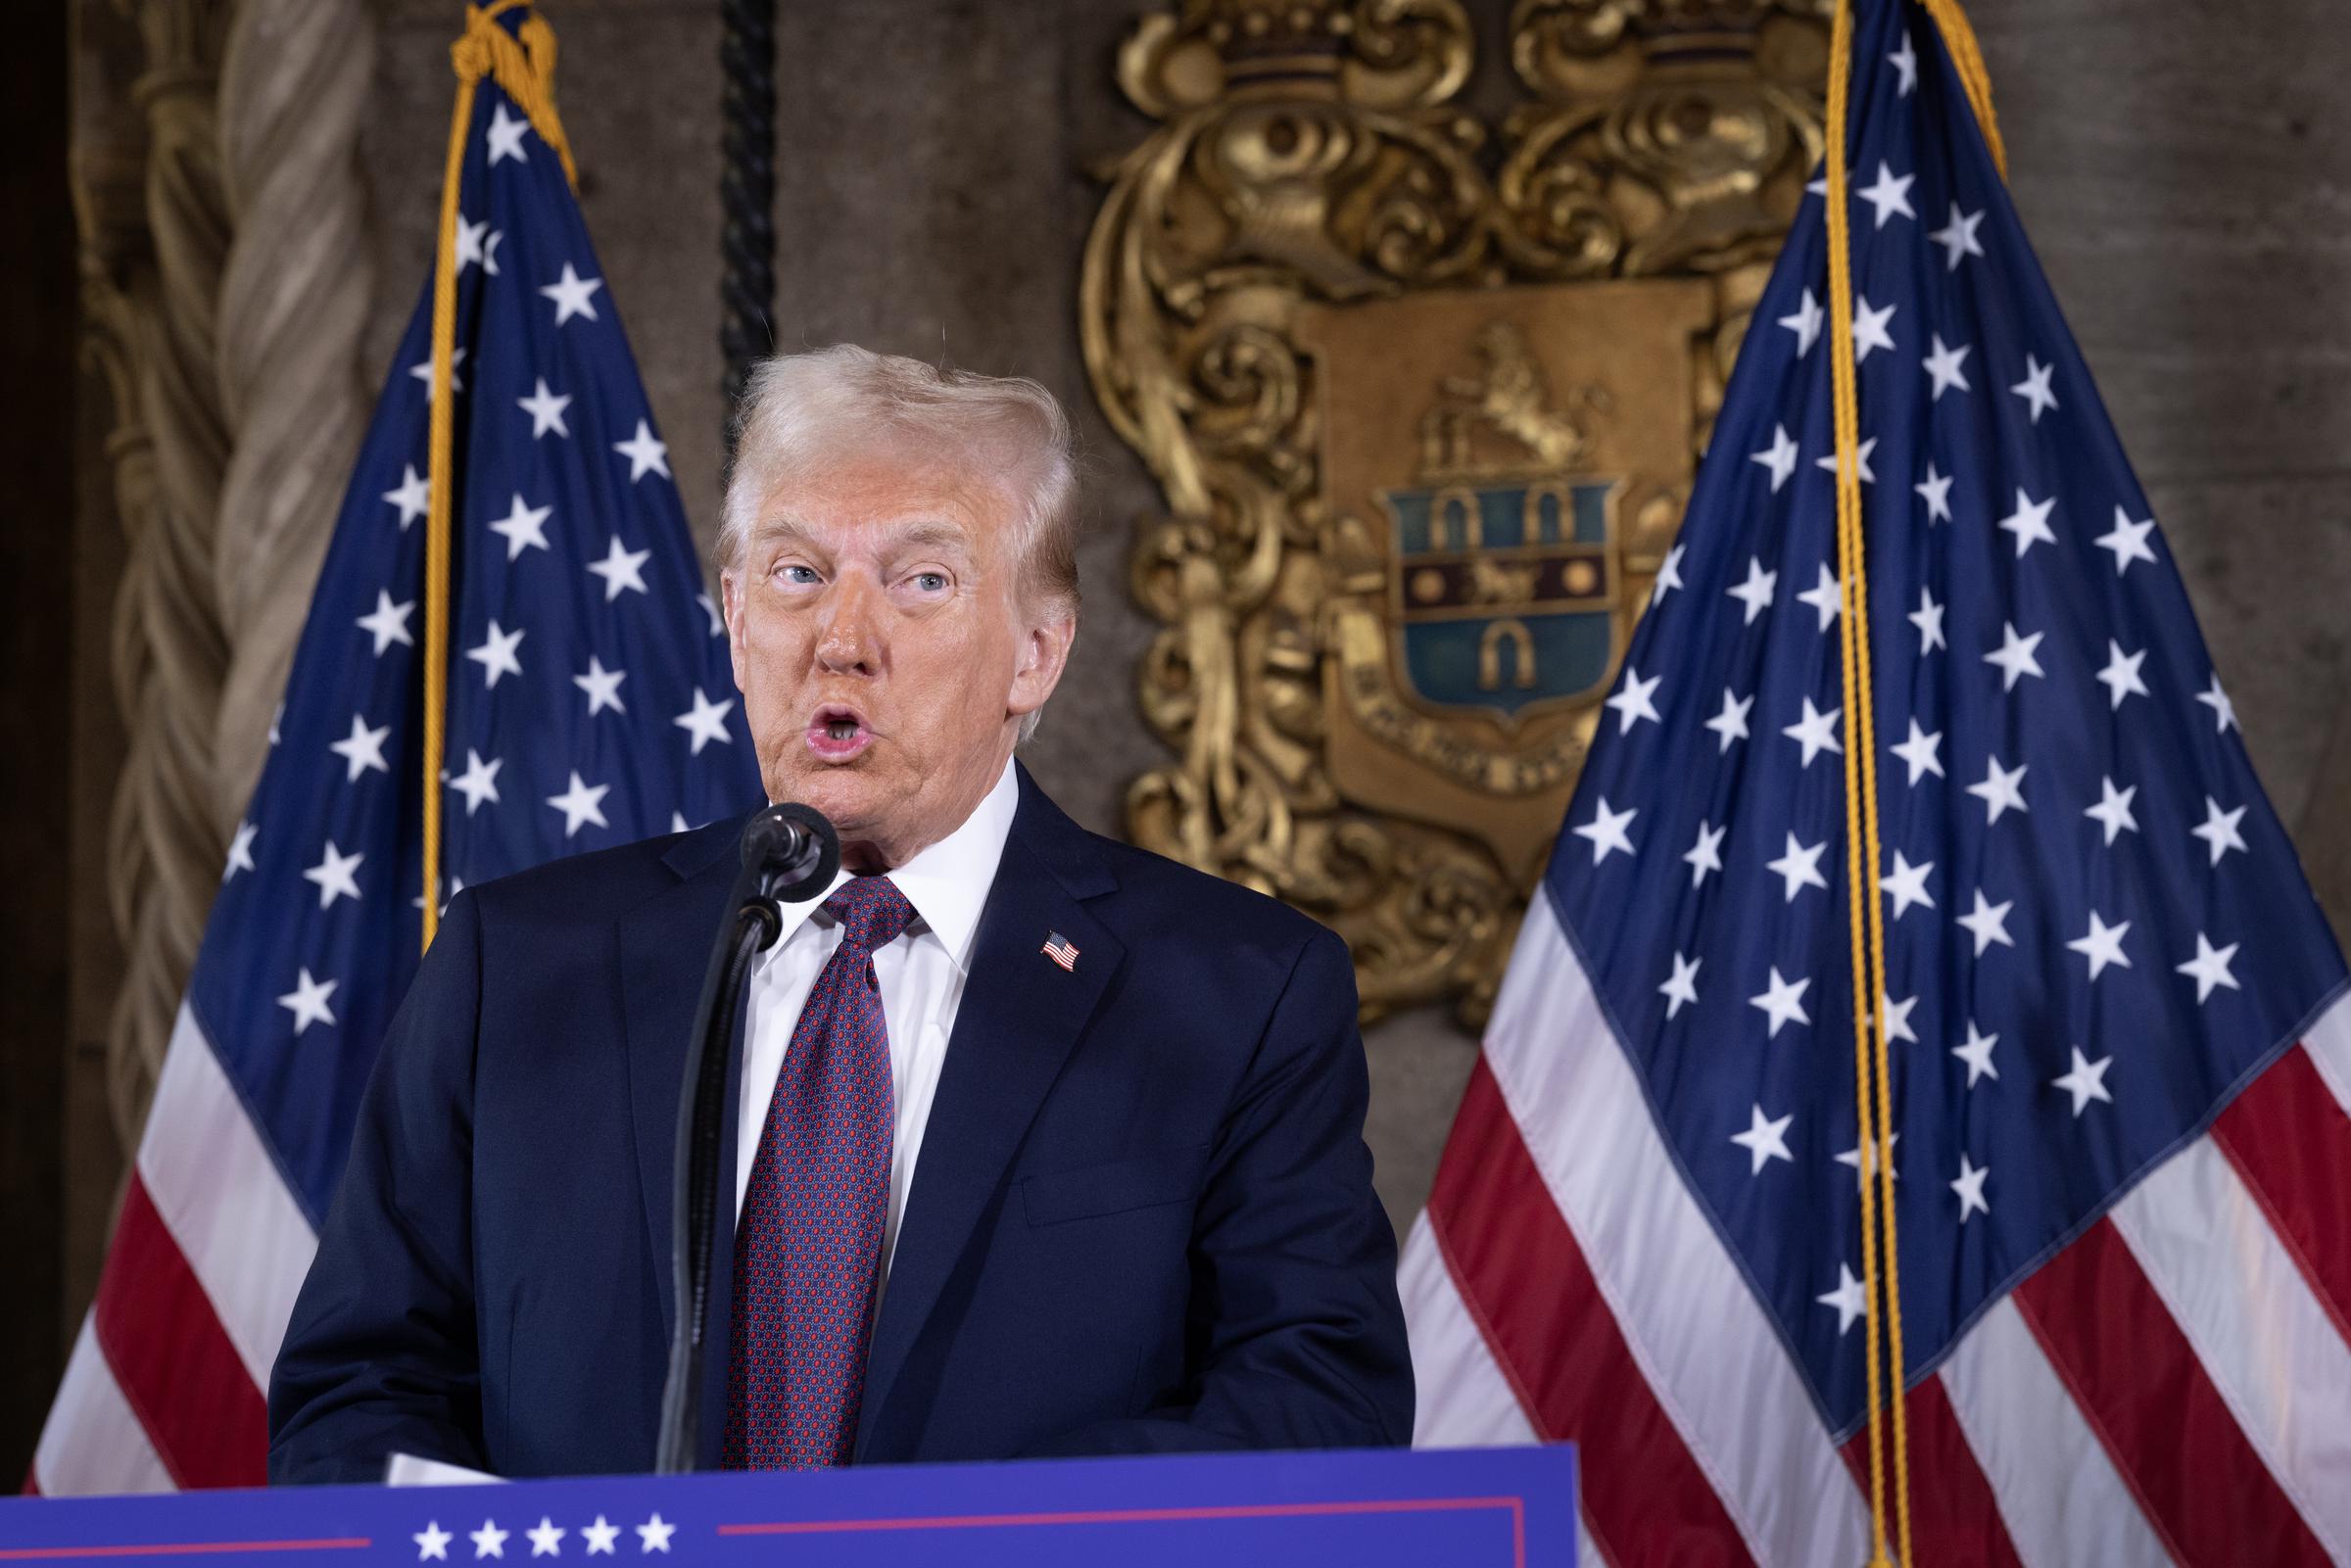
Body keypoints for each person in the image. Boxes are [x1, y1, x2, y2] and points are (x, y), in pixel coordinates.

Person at [268, 346, 1412, 1480]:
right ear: (733, 618)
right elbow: (359, 1391)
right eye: (797, 573)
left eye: (923, 581)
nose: (841, 640)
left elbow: (1313, 1400)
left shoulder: (1236, 994)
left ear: (1038, 651)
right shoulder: (516, 966)